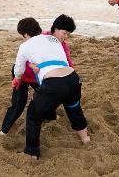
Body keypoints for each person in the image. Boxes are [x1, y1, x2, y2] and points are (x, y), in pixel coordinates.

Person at [12, 16, 90, 158]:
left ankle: (31, 152)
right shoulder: (54, 40)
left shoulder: (24, 46)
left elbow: (18, 69)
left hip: (54, 84)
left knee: (33, 116)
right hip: (73, 79)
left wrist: (17, 79)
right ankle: (85, 139)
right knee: (74, 110)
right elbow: (62, 61)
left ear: (24, 34)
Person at [0, 15, 74, 135]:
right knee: (21, 102)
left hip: (34, 75)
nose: (65, 37)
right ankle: (4, 129)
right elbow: (22, 63)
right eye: (65, 33)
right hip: (28, 75)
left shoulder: (50, 42)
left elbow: (66, 61)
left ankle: (49, 117)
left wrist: (17, 78)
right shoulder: (47, 38)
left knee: (43, 98)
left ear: (25, 34)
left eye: (67, 34)